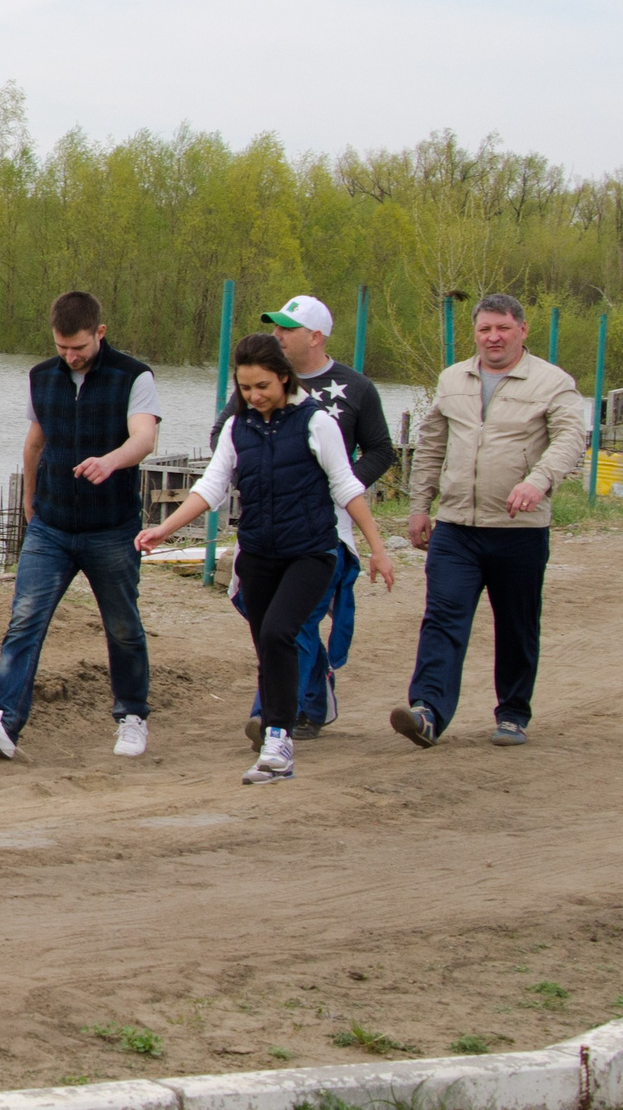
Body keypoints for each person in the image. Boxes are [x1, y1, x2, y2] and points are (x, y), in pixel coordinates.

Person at [142, 334, 397, 783]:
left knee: (282, 632)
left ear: (283, 377)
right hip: (258, 554)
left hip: (311, 552)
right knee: (267, 645)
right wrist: (165, 529)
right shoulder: (239, 429)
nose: (254, 396)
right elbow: (211, 486)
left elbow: (347, 487)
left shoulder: (316, 423)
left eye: (262, 386)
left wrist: (377, 549)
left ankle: (278, 739)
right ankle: (290, 719)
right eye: (245, 388)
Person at [0, 292, 161, 761]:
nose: (71, 357)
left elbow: (145, 437)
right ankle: (4, 722)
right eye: (62, 348)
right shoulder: (41, 377)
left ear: (100, 333)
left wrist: (110, 462)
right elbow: (35, 443)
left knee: (122, 625)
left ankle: (132, 714)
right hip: (50, 525)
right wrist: (30, 501)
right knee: (24, 620)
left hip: (112, 528)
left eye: (80, 348)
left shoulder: (135, 376)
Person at [391, 293, 589, 750]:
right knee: (443, 616)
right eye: (485, 329)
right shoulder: (452, 379)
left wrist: (537, 482)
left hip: (519, 530)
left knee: (517, 624)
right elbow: (432, 446)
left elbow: (569, 439)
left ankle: (513, 713)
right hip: (457, 526)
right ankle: (427, 712)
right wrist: (420, 505)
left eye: (502, 328)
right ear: (475, 333)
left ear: (522, 329)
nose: (493, 337)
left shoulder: (552, 382)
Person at [210, 296, 396, 737]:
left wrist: (334, 485)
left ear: (314, 337)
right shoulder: (257, 384)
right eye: (274, 328)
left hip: (326, 527)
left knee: (298, 620)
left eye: (287, 329)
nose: (277, 335)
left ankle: (274, 714)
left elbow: (381, 449)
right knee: (268, 617)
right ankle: (314, 693)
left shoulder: (355, 388)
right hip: (270, 524)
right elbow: (224, 433)